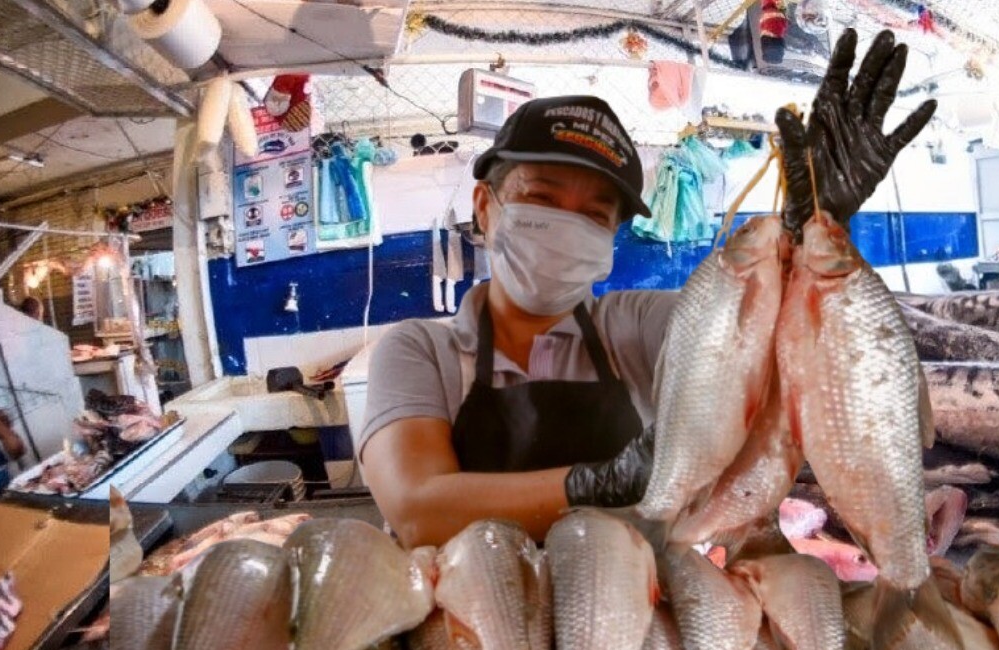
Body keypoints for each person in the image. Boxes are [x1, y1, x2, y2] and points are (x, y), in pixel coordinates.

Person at [359, 29, 936, 547]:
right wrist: (598, 484)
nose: (566, 224)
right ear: (485, 206)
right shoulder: (419, 350)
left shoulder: (630, 327)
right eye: (542, 197)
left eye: (594, 213)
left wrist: (813, 228)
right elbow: (417, 509)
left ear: (612, 236)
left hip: (639, 621)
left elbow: (771, 344)